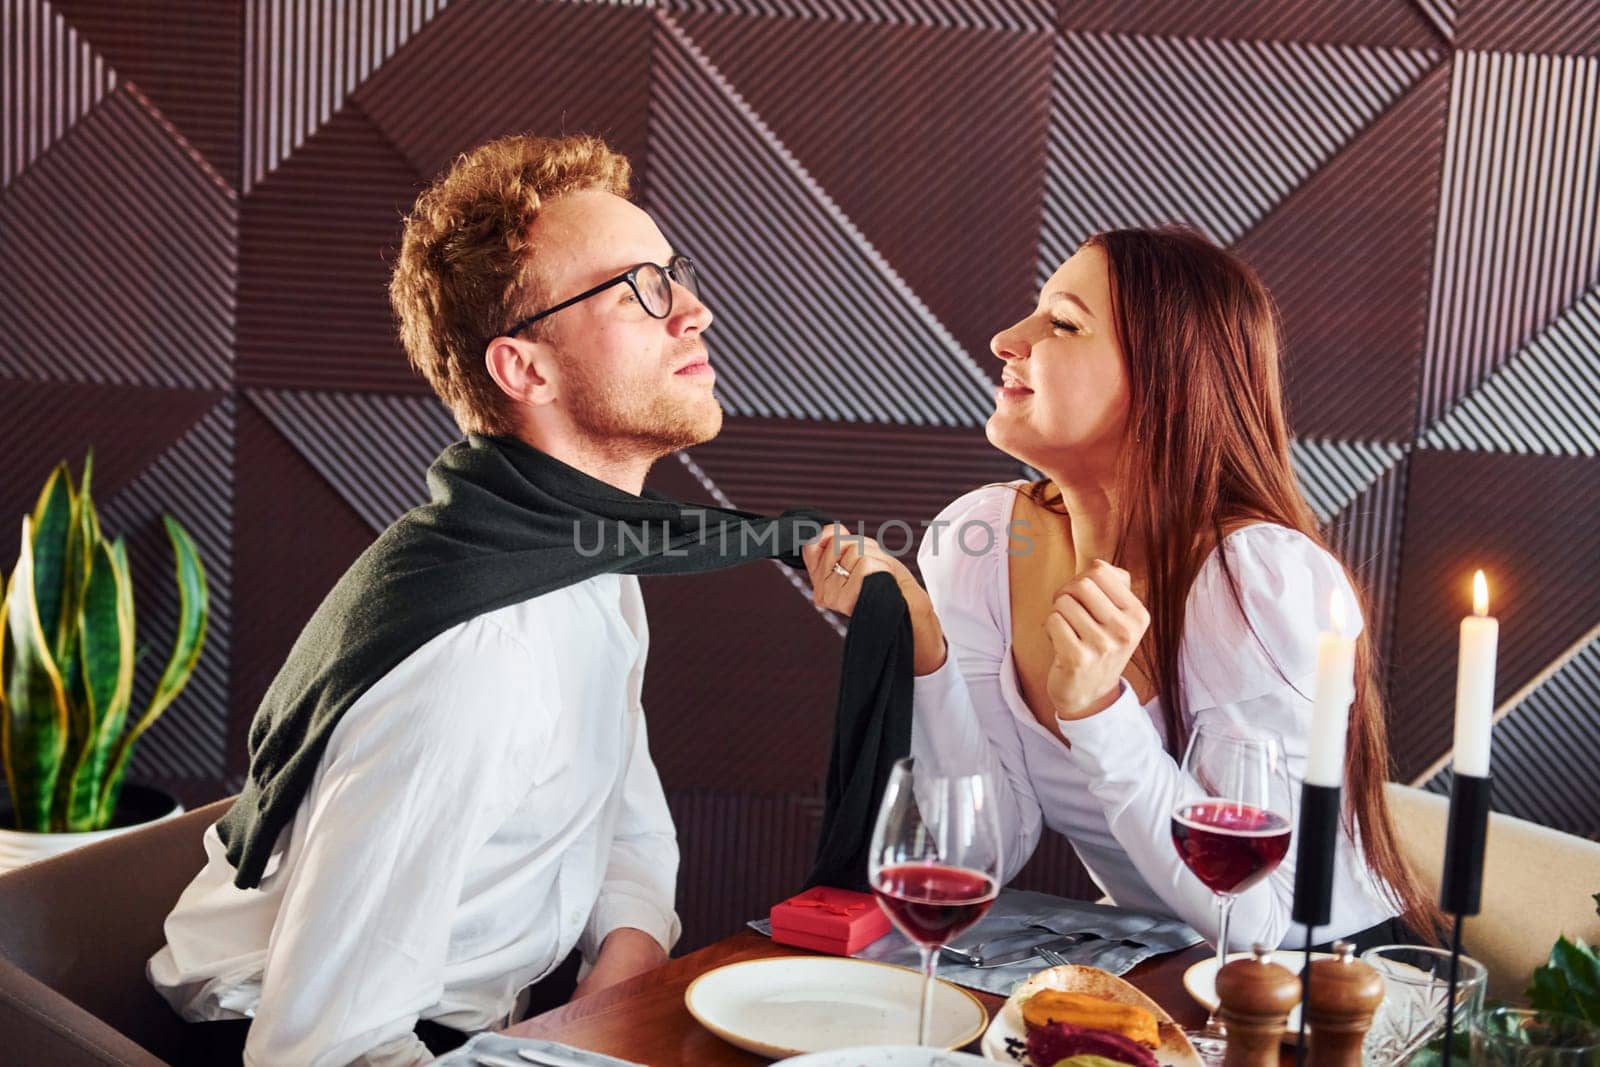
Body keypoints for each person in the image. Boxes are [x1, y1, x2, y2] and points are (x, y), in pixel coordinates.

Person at [150, 134, 743, 1065]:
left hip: (470, 1025)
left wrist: (617, 979)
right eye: (639, 290)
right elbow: (317, 1049)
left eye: (675, 273)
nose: (694, 312)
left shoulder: (575, 546)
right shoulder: (478, 657)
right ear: (525, 370)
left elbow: (622, 815)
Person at [803, 226, 1438, 951]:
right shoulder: (981, 538)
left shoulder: (1254, 580)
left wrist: (1099, 712)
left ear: (1165, 385)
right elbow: (983, 852)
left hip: (1331, 985)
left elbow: (1261, 913)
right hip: (1171, 965)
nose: (1007, 338)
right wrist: (925, 648)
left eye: (1064, 323)